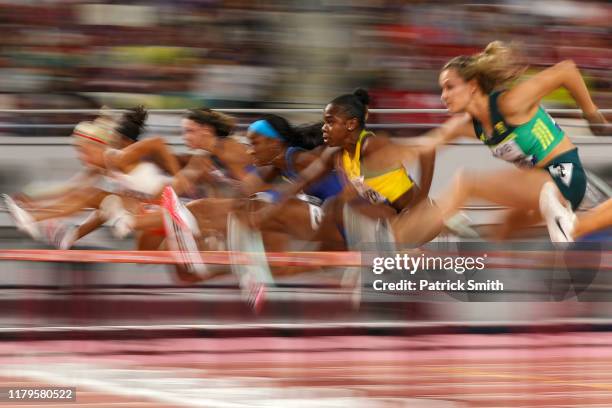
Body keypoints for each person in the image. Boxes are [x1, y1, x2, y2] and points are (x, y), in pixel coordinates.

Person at [407, 41, 608, 241]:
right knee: (504, 229)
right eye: (442, 89)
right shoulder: (465, 125)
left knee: (466, 182)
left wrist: (592, 114)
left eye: (449, 87)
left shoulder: (510, 103)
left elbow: (567, 70)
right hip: (539, 185)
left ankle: (410, 244)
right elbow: (427, 144)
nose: (443, 96)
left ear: (473, 86)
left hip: (564, 177)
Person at [258, 88, 442, 248]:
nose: (324, 128)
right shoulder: (337, 154)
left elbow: (427, 149)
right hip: (392, 221)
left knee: (347, 208)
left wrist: (421, 199)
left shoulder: (372, 146)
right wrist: (272, 208)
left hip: (423, 219)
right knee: (339, 205)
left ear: (351, 124)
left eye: (330, 122)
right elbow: (305, 179)